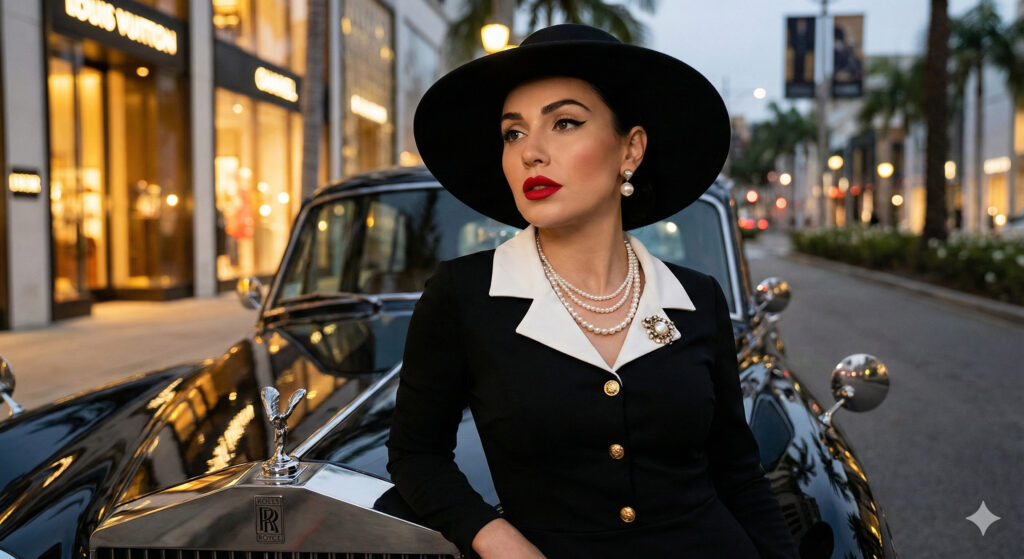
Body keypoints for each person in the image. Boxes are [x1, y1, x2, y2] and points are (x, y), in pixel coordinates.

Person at [386, 24, 800, 559]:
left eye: (564, 123)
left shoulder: (698, 298)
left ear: (630, 150)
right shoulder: (464, 295)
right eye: (513, 133)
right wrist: (498, 540)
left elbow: (738, 473)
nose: (531, 152)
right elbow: (417, 455)